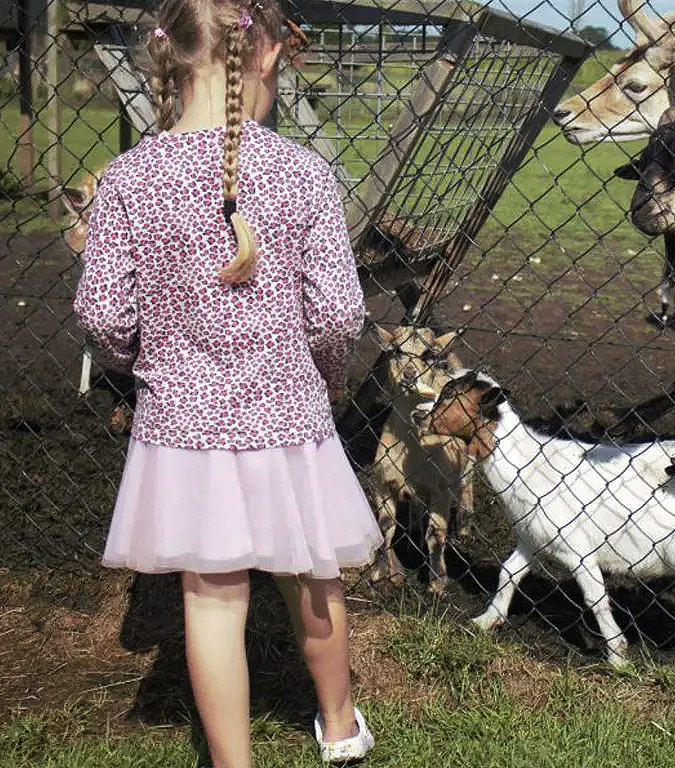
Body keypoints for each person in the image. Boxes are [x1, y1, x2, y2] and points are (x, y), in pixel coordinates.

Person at [72, 0, 383, 765]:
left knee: (211, 599)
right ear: (268, 56)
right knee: (314, 576)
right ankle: (341, 729)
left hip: (182, 428)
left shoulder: (127, 179)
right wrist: (332, 378)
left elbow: (103, 314)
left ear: (165, 59)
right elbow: (338, 312)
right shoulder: (306, 174)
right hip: (289, 417)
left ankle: (233, 762)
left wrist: (135, 364)